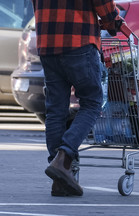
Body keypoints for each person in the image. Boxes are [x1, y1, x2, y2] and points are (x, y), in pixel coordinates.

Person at [31, 0, 122, 196]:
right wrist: (112, 20)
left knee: (56, 110)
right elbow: (103, 5)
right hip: (78, 42)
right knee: (91, 103)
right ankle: (63, 159)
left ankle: (60, 180)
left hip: (47, 43)